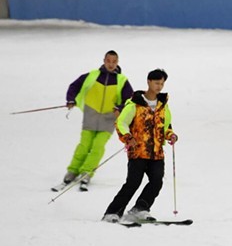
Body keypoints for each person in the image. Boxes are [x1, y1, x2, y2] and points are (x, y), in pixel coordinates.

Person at [102, 69, 177, 223]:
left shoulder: (163, 105)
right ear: (149, 82)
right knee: (133, 183)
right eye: (157, 83)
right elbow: (121, 122)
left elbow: (166, 125)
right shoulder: (135, 104)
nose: (159, 86)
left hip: (156, 152)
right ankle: (113, 212)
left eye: (162, 83)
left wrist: (170, 135)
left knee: (157, 181)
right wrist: (128, 137)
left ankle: (140, 208)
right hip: (138, 151)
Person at [53, 50, 133, 192]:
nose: (111, 64)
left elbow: (129, 99)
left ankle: (87, 172)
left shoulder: (122, 80)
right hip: (90, 115)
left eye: (114, 62)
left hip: (108, 119)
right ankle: (72, 171)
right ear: (104, 61)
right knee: (84, 145)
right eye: (109, 61)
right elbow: (74, 86)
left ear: (117, 63)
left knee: (98, 146)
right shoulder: (92, 76)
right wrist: (71, 99)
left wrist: (119, 107)